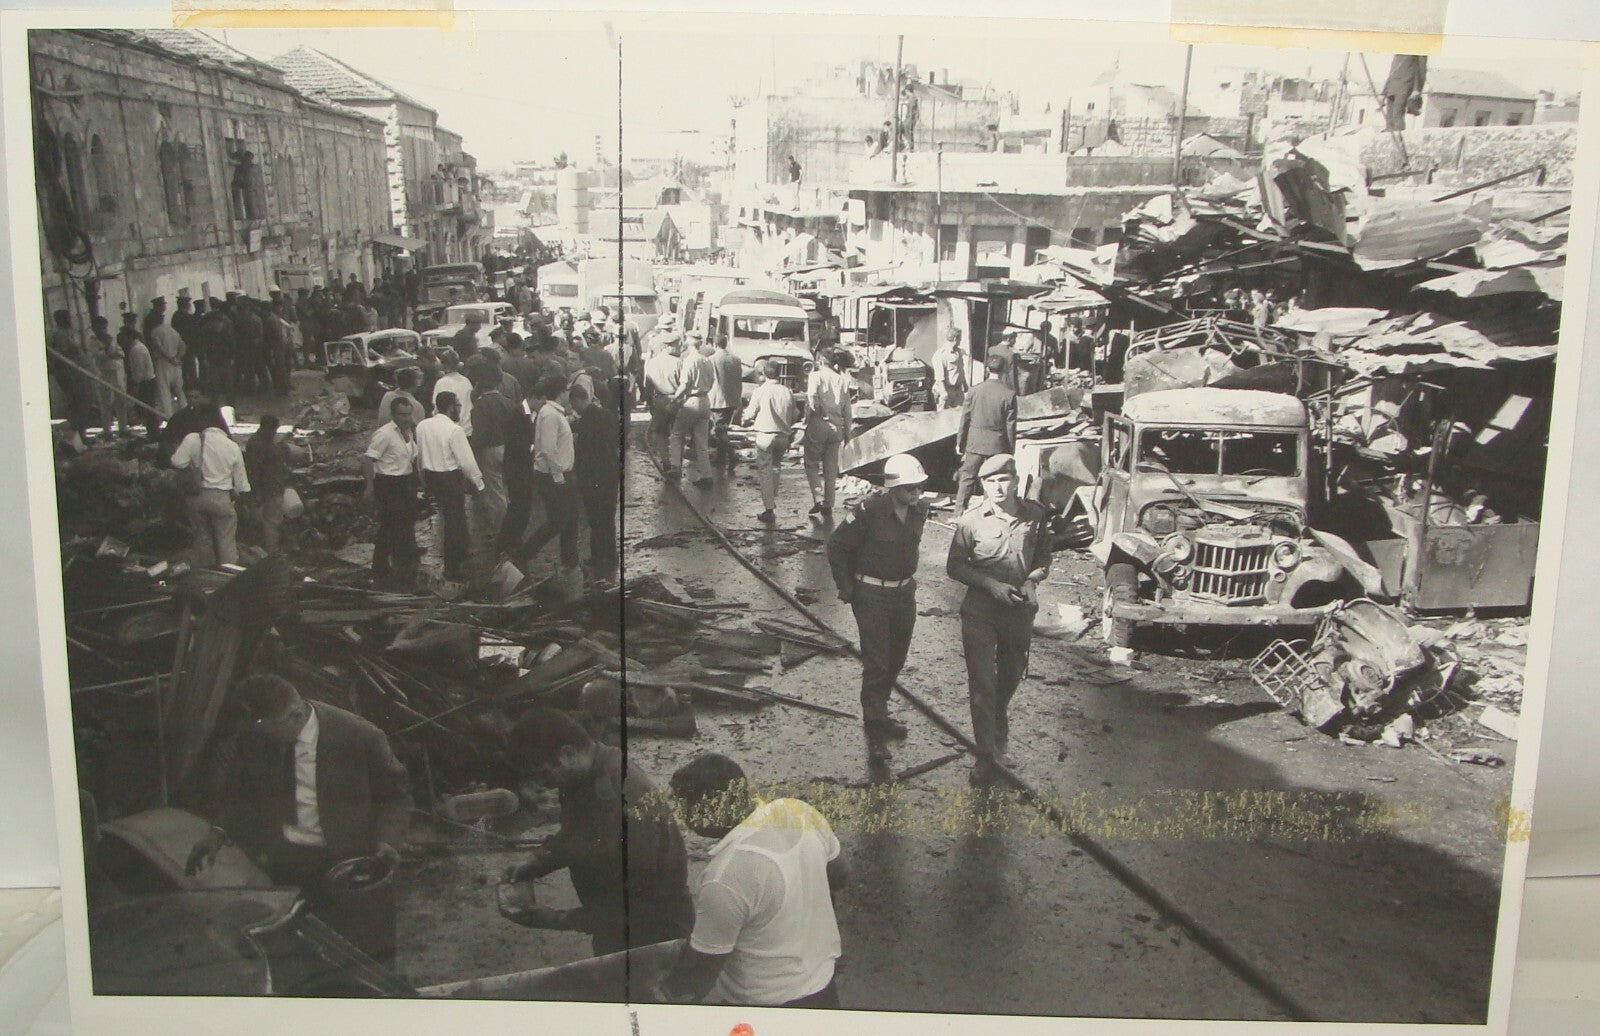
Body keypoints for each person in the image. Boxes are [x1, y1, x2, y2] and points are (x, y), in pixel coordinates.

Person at [184, 673, 411, 966]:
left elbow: (396, 796)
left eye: (267, 730)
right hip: (287, 869)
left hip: (350, 870)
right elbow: (242, 792)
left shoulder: (359, 736)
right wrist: (216, 833)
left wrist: (388, 841)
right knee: (299, 962)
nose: (260, 737)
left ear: (294, 715)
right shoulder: (257, 736)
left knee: (364, 963)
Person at [500, 708, 693, 957]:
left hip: (654, 930)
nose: (541, 786)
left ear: (567, 753)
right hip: (614, 919)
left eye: (543, 774)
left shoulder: (622, 796)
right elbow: (579, 836)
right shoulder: (581, 776)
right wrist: (537, 865)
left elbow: (641, 904)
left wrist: (561, 919)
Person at [659, 753, 847, 1008]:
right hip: (824, 986)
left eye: (686, 807)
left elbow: (700, 975)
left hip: (765, 1006)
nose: (682, 818)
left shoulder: (725, 877)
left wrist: (659, 995)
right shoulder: (797, 810)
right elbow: (840, 876)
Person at [946, 454, 1052, 787]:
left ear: (1016, 480)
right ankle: (985, 755)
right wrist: (991, 585)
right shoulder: (971, 520)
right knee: (982, 683)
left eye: (1003, 480)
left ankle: (998, 716)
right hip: (980, 609)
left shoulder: (1035, 516)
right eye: (990, 482)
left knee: (1010, 674)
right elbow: (955, 566)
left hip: (1018, 609)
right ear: (982, 485)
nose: (997, 487)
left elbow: (1044, 557)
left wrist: (1031, 582)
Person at [826, 454, 927, 763]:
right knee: (877, 663)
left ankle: (880, 712)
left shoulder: (920, 510)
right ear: (892, 486)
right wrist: (846, 587)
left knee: (896, 658)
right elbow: (837, 546)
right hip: (871, 594)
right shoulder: (869, 510)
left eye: (919, 487)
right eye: (909, 488)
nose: (915, 494)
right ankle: (875, 731)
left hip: (903, 594)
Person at [170, 405, 250, 568]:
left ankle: (206, 572)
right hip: (221, 498)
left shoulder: (193, 439)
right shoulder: (232, 446)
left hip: (196, 496)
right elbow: (242, 484)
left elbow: (177, 462)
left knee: (202, 537)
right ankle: (228, 574)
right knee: (226, 540)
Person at [416, 390, 483, 583]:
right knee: (454, 520)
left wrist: (422, 480)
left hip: (431, 476)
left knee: (451, 517)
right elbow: (466, 462)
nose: (460, 410)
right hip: (449, 477)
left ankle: (460, 554)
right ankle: (453, 566)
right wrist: (478, 483)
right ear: (451, 407)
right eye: (458, 406)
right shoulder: (455, 430)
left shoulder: (423, 426)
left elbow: (420, 455)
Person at [519, 374, 580, 577]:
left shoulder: (553, 413)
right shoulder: (550, 414)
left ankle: (570, 560)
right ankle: (525, 553)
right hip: (554, 475)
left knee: (570, 518)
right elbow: (547, 448)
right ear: (561, 392)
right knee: (557, 520)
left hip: (561, 473)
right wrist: (558, 477)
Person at [362, 396, 421, 588]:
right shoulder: (384, 434)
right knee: (394, 524)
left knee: (404, 522)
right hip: (388, 483)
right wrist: (369, 487)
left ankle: (400, 565)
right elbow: (368, 460)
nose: (406, 418)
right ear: (393, 414)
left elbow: (412, 457)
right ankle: (385, 568)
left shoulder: (409, 431)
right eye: (402, 415)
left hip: (406, 482)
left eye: (409, 414)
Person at [953, 353, 1017, 515]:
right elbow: (1011, 425)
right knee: (993, 479)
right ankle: (989, 512)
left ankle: (958, 513)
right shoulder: (1009, 394)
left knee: (967, 478)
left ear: (987, 369)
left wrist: (960, 442)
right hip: (997, 444)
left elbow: (965, 419)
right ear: (1004, 371)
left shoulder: (974, 391)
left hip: (975, 442)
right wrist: (1010, 450)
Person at [568, 380, 620, 578]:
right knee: (608, 514)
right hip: (610, 473)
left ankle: (599, 556)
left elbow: (586, 452)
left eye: (573, 404)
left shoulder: (586, 421)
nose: (573, 408)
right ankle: (611, 553)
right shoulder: (605, 414)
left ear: (579, 400)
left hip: (594, 476)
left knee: (596, 517)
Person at [740, 359, 797, 525]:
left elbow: (750, 413)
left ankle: (769, 508)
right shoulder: (787, 391)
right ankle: (772, 499)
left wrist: (745, 419)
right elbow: (795, 414)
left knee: (765, 471)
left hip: (765, 435)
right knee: (776, 468)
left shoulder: (760, 391)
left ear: (764, 373)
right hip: (783, 436)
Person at [804, 347, 854, 521]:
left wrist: (811, 416)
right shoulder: (841, 380)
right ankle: (829, 503)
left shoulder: (815, 376)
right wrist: (848, 433)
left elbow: (811, 398)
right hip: (837, 426)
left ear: (820, 360)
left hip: (819, 423)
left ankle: (818, 498)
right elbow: (848, 409)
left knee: (811, 463)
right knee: (831, 467)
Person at [670, 333, 717, 486]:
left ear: (689, 343)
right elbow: (711, 381)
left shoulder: (690, 360)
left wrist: (675, 398)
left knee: (677, 434)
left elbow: (684, 384)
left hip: (692, 400)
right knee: (702, 441)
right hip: (705, 400)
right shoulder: (707, 360)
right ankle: (706, 475)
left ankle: (675, 468)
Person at [243, 415, 292, 553]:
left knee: (270, 520)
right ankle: (271, 551)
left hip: (271, 486)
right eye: (274, 430)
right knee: (271, 522)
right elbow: (254, 469)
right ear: (266, 428)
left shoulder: (266, 441)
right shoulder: (259, 443)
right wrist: (255, 492)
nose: (275, 432)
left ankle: (268, 549)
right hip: (268, 488)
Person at [644, 332, 683, 466]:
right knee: (677, 433)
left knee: (661, 433)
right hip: (676, 400)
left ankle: (665, 459)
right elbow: (683, 383)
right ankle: (676, 462)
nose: (679, 348)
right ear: (667, 346)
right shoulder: (678, 362)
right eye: (676, 345)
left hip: (659, 400)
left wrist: (649, 403)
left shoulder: (652, 363)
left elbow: (648, 385)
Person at [707, 335, 744, 474]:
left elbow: (711, 379)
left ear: (714, 344)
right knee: (723, 428)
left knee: (719, 430)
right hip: (732, 398)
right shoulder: (736, 359)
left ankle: (731, 455)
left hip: (717, 399)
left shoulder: (711, 359)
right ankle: (721, 458)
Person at [88, 315, 128, 437]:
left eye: (104, 328)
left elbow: (121, 353)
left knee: (121, 402)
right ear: (95, 328)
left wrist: (111, 350)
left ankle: (123, 429)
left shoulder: (111, 338)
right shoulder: (93, 341)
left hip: (116, 372)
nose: (103, 330)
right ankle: (107, 431)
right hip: (103, 373)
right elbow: (100, 355)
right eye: (100, 328)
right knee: (106, 403)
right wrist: (109, 350)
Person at [146, 309, 188, 417]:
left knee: (164, 390)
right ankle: (185, 411)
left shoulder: (155, 332)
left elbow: (159, 347)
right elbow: (183, 346)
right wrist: (177, 357)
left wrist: (170, 358)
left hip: (163, 363)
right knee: (180, 390)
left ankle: (168, 415)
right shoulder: (173, 331)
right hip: (176, 364)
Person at [123, 316, 158, 435]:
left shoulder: (136, 350)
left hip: (145, 382)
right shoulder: (137, 347)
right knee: (149, 408)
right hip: (147, 380)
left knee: (148, 408)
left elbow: (138, 370)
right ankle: (153, 431)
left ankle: (153, 432)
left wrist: (135, 387)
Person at [432, 348, 474, 435]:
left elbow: (437, 409)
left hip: (449, 430)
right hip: (468, 429)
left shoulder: (441, 383)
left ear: (442, 365)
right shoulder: (466, 381)